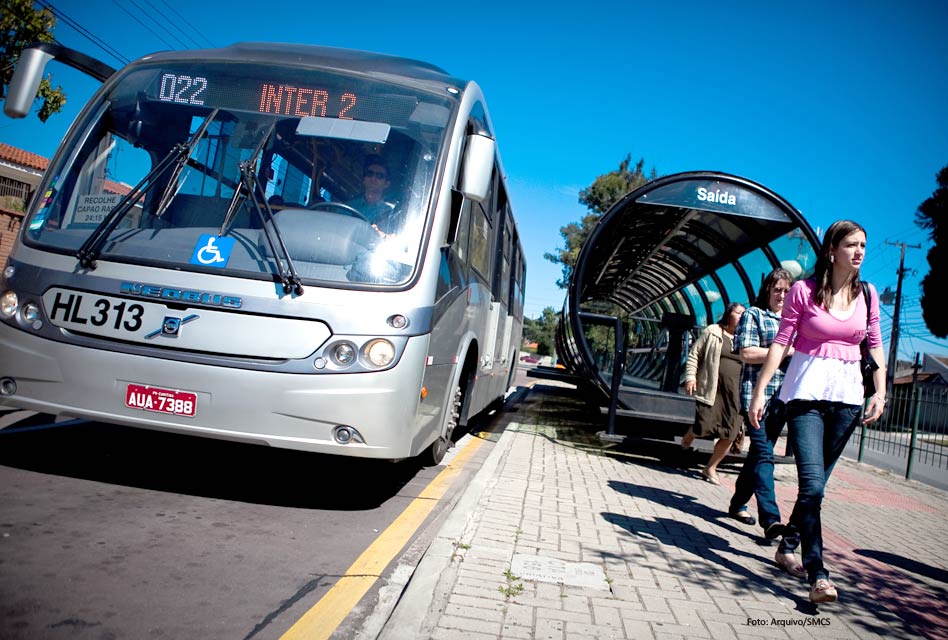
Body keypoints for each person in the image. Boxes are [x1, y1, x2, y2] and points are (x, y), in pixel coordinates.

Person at [749, 219, 886, 604]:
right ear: (831, 250)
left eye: (863, 245)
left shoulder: (869, 296)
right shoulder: (803, 291)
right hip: (805, 397)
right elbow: (780, 342)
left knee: (817, 489)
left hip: (847, 402)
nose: (859, 251)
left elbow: (874, 345)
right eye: (851, 245)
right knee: (812, 485)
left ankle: (788, 544)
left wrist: (881, 392)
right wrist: (761, 392)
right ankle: (818, 573)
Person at [726, 269, 795, 539]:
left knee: (758, 454)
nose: (782, 295)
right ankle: (771, 519)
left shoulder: (796, 321)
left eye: (787, 291)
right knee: (765, 454)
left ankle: (737, 502)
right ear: (768, 290)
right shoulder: (754, 315)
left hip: (784, 399)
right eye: (777, 289)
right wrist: (787, 351)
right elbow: (747, 353)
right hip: (756, 397)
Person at [681, 302, 747, 485]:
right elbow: (695, 354)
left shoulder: (747, 338)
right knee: (704, 425)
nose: (741, 316)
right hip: (713, 388)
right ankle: (692, 433)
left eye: (744, 313)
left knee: (730, 433)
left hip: (736, 393)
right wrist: (690, 378)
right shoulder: (713, 331)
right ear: (729, 314)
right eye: (738, 312)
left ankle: (710, 467)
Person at [347, 155, 396, 231]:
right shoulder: (348, 206)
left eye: (379, 176)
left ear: (387, 184)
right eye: (370, 174)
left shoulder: (391, 212)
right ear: (364, 179)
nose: (373, 178)